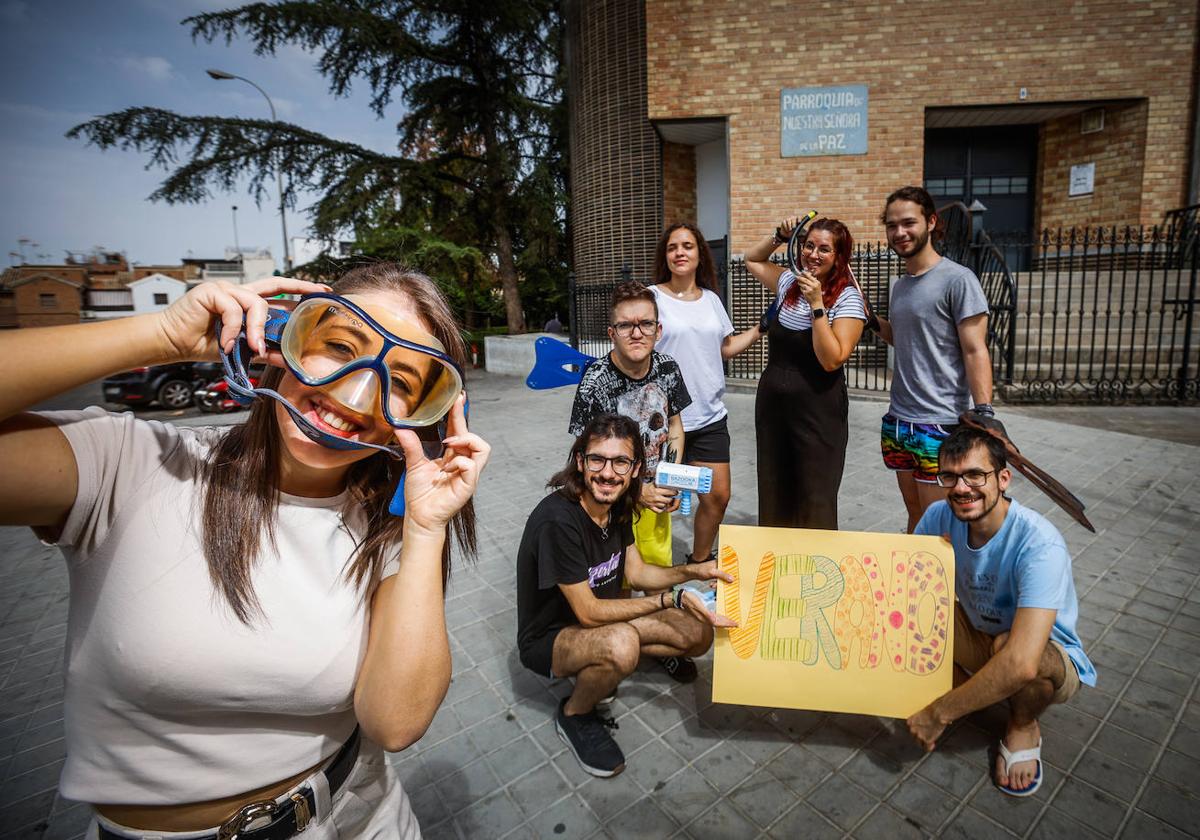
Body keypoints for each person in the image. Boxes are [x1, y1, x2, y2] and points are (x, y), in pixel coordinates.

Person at [0, 265, 490, 839]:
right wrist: (163, 335)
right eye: (338, 346)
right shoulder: (132, 463)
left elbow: (397, 722)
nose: (355, 394)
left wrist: (428, 527)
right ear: (287, 337)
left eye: (402, 382)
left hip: (361, 817)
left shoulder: (386, 526)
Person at [515, 414, 734, 777]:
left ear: (635, 470)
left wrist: (694, 572)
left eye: (620, 462)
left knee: (698, 634)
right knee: (621, 645)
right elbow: (587, 613)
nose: (607, 473)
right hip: (551, 637)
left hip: (600, 618)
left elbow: (636, 572)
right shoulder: (559, 520)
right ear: (581, 461)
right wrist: (670, 599)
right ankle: (575, 713)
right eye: (597, 459)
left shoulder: (617, 506)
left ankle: (605, 666)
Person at [905, 424, 1095, 797]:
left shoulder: (1039, 543)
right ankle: (974, 691)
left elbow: (1023, 661)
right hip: (977, 631)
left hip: (1045, 655)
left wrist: (937, 713)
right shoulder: (937, 517)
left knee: (1020, 655)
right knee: (906, 610)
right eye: (950, 476)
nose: (961, 488)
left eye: (975, 475)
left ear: (1003, 479)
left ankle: (1022, 724)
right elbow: (905, 588)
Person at [568, 281, 694, 680]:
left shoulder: (668, 368)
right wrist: (637, 490)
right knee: (616, 583)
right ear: (612, 333)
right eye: (626, 326)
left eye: (645, 323)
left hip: (657, 493)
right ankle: (612, 653)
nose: (636, 333)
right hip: (613, 503)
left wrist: (669, 478)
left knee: (654, 572)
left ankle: (655, 646)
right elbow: (587, 460)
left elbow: (674, 426)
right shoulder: (595, 382)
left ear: (658, 329)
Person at [872, 186, 995, 533]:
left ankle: (947, 588)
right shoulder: (901, 285)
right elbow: (904, 338)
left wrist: (984, 411)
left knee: (938, 526)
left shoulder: (958, 280)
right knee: (914, 518)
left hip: (939, 423)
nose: (900, 232)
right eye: (892, 225)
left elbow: (975, 349)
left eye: (909, 223)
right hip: (899, 422)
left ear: (931, 222)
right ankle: (916, 585)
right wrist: (872, 320)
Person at [649, 222, 764, 563]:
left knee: (717, 497)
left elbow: (725, 348)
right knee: (660, 502)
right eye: (672, 247)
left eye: (687, 246)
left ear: (700, 254)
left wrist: (761, 328)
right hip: (665, 423)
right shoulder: (652, 297)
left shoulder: (712, 299)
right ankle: (652, 576)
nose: (680, 252)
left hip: (710, 417)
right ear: (665, 256)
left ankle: (698, 562)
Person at [744, 217, 866, 529]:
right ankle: (775, 565)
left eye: (824, 249)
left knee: (816, 494)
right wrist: (779, 235)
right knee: (774, 488)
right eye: (809, 245)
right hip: (774, 410)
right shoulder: (788, 282)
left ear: (839, 257)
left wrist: (817, 305)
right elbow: (752, 260)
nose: (813, 254)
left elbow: (832, 359)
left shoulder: (846, 298)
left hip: (818, 411)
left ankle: (817, 569)